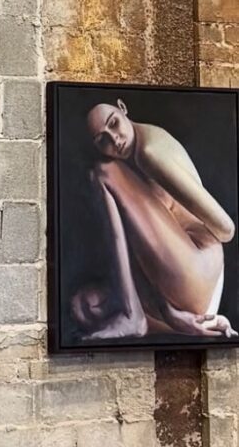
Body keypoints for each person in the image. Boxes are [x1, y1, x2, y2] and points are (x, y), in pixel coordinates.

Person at [71, 98, 236, 340]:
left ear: (123, 108)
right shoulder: (137, 155)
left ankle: (133, 314)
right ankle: (181, 320)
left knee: (104, 172)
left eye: (114, 124)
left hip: (200, 265)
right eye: (102, 140)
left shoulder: (149, 153)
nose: (114, 140)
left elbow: (226, 229)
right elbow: (148, 246)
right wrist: (169, 310)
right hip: (185, 273)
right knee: (83, 305)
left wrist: (186, 227)